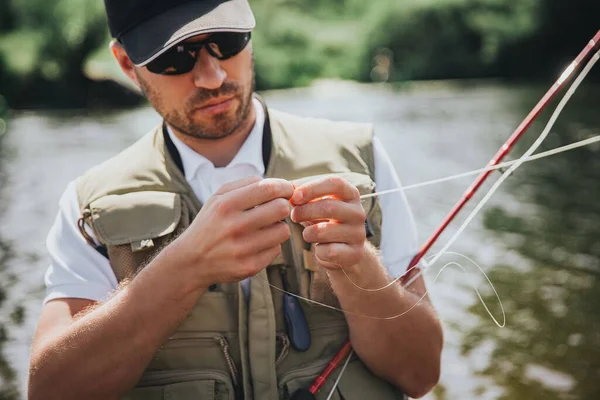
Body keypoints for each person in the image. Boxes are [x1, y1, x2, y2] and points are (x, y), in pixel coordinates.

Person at [28, 1, 443, 399]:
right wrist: (182, 269)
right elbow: (50, 391)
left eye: (227, 41)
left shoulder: (362, 156)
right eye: (174, 56)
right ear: (125, 65)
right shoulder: (88, 204)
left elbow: (421, 374)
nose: (211, 76)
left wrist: (361, 268)